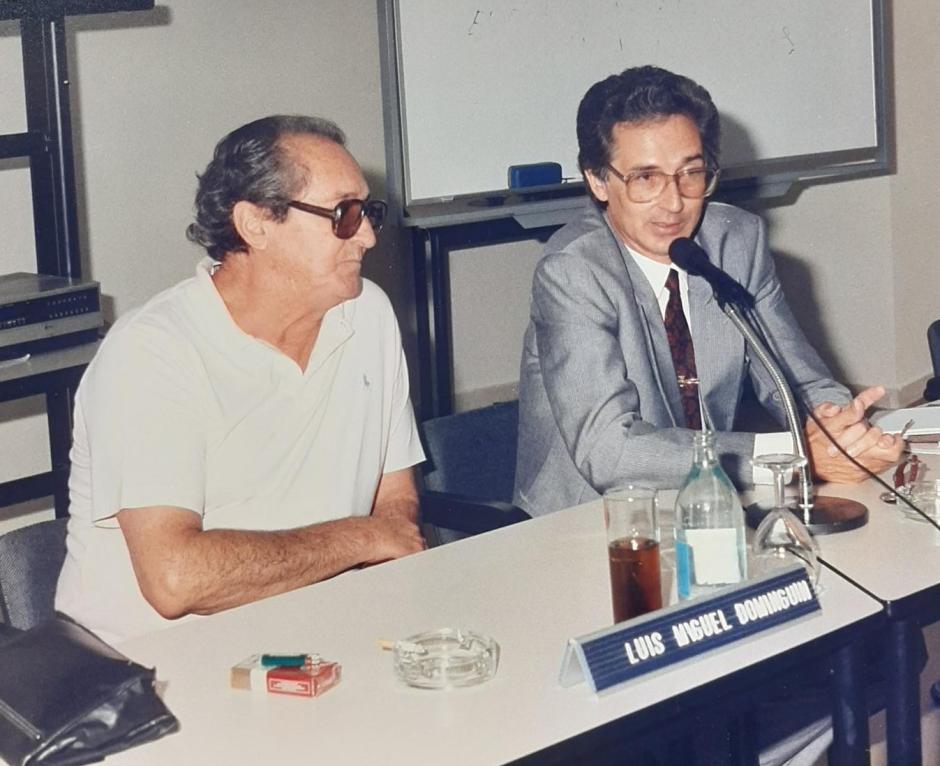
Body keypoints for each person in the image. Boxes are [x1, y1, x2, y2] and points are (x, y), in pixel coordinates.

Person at [55, 115, 426, 643]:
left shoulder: (367, 315)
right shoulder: (153, 352)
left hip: (308, 642)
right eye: (342, 214)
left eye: (369, 212)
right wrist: (363, 539)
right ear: (255, 224)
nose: (366, 235)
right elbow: (175, 579)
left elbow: (395, 498)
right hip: (149, 677)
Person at [514, 66, 904, 517]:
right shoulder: (572, 272)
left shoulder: (735, 241)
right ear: (599, 181)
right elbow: (609, 452)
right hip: (589, 519)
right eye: (645, 179)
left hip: (707, 500)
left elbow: (798, 381)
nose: (675, 201)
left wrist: (842, 431)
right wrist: (791, 454)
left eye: (691, 173)